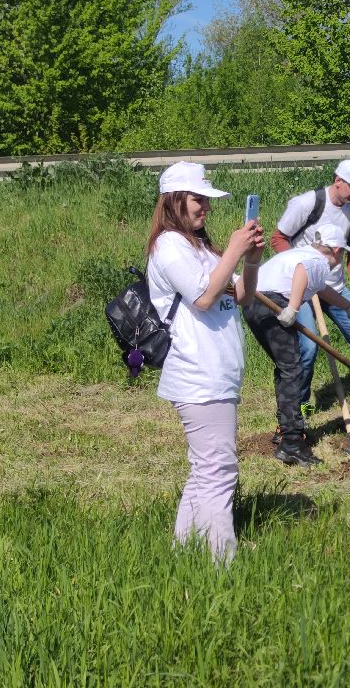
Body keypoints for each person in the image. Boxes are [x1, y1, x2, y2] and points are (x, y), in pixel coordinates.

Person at [147, 161, 265, 563]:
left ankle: (184, 551)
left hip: (217, 374)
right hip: (198, 376)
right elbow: (202, 297)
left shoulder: (198, 246)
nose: (206, 208)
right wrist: (233, 250)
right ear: (175, 200)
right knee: (219, 472)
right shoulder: (169, 246)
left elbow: (241, 295)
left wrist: (250, 259)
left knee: (205, 472)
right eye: (199, 199)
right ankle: (222, 562)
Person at [244, 223, 350, 467]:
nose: (341, 259)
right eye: (341, 253)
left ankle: (286, 430)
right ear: (332, 250)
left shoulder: (301, 255)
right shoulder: (314, 260)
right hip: (272, 302)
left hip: (252, 304)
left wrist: (349, 307)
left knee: (286, 367)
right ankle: (291, 443)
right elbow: (302, 272)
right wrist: (292, 307)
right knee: (293, 369)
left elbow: (323, 291)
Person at [271, 159, 350, 408]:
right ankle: (299, 406)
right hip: (302, 289)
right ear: (338, 181)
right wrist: (301, 271)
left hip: (335, 288)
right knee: (308, 347)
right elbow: (278, 238)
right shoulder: (307, 203)